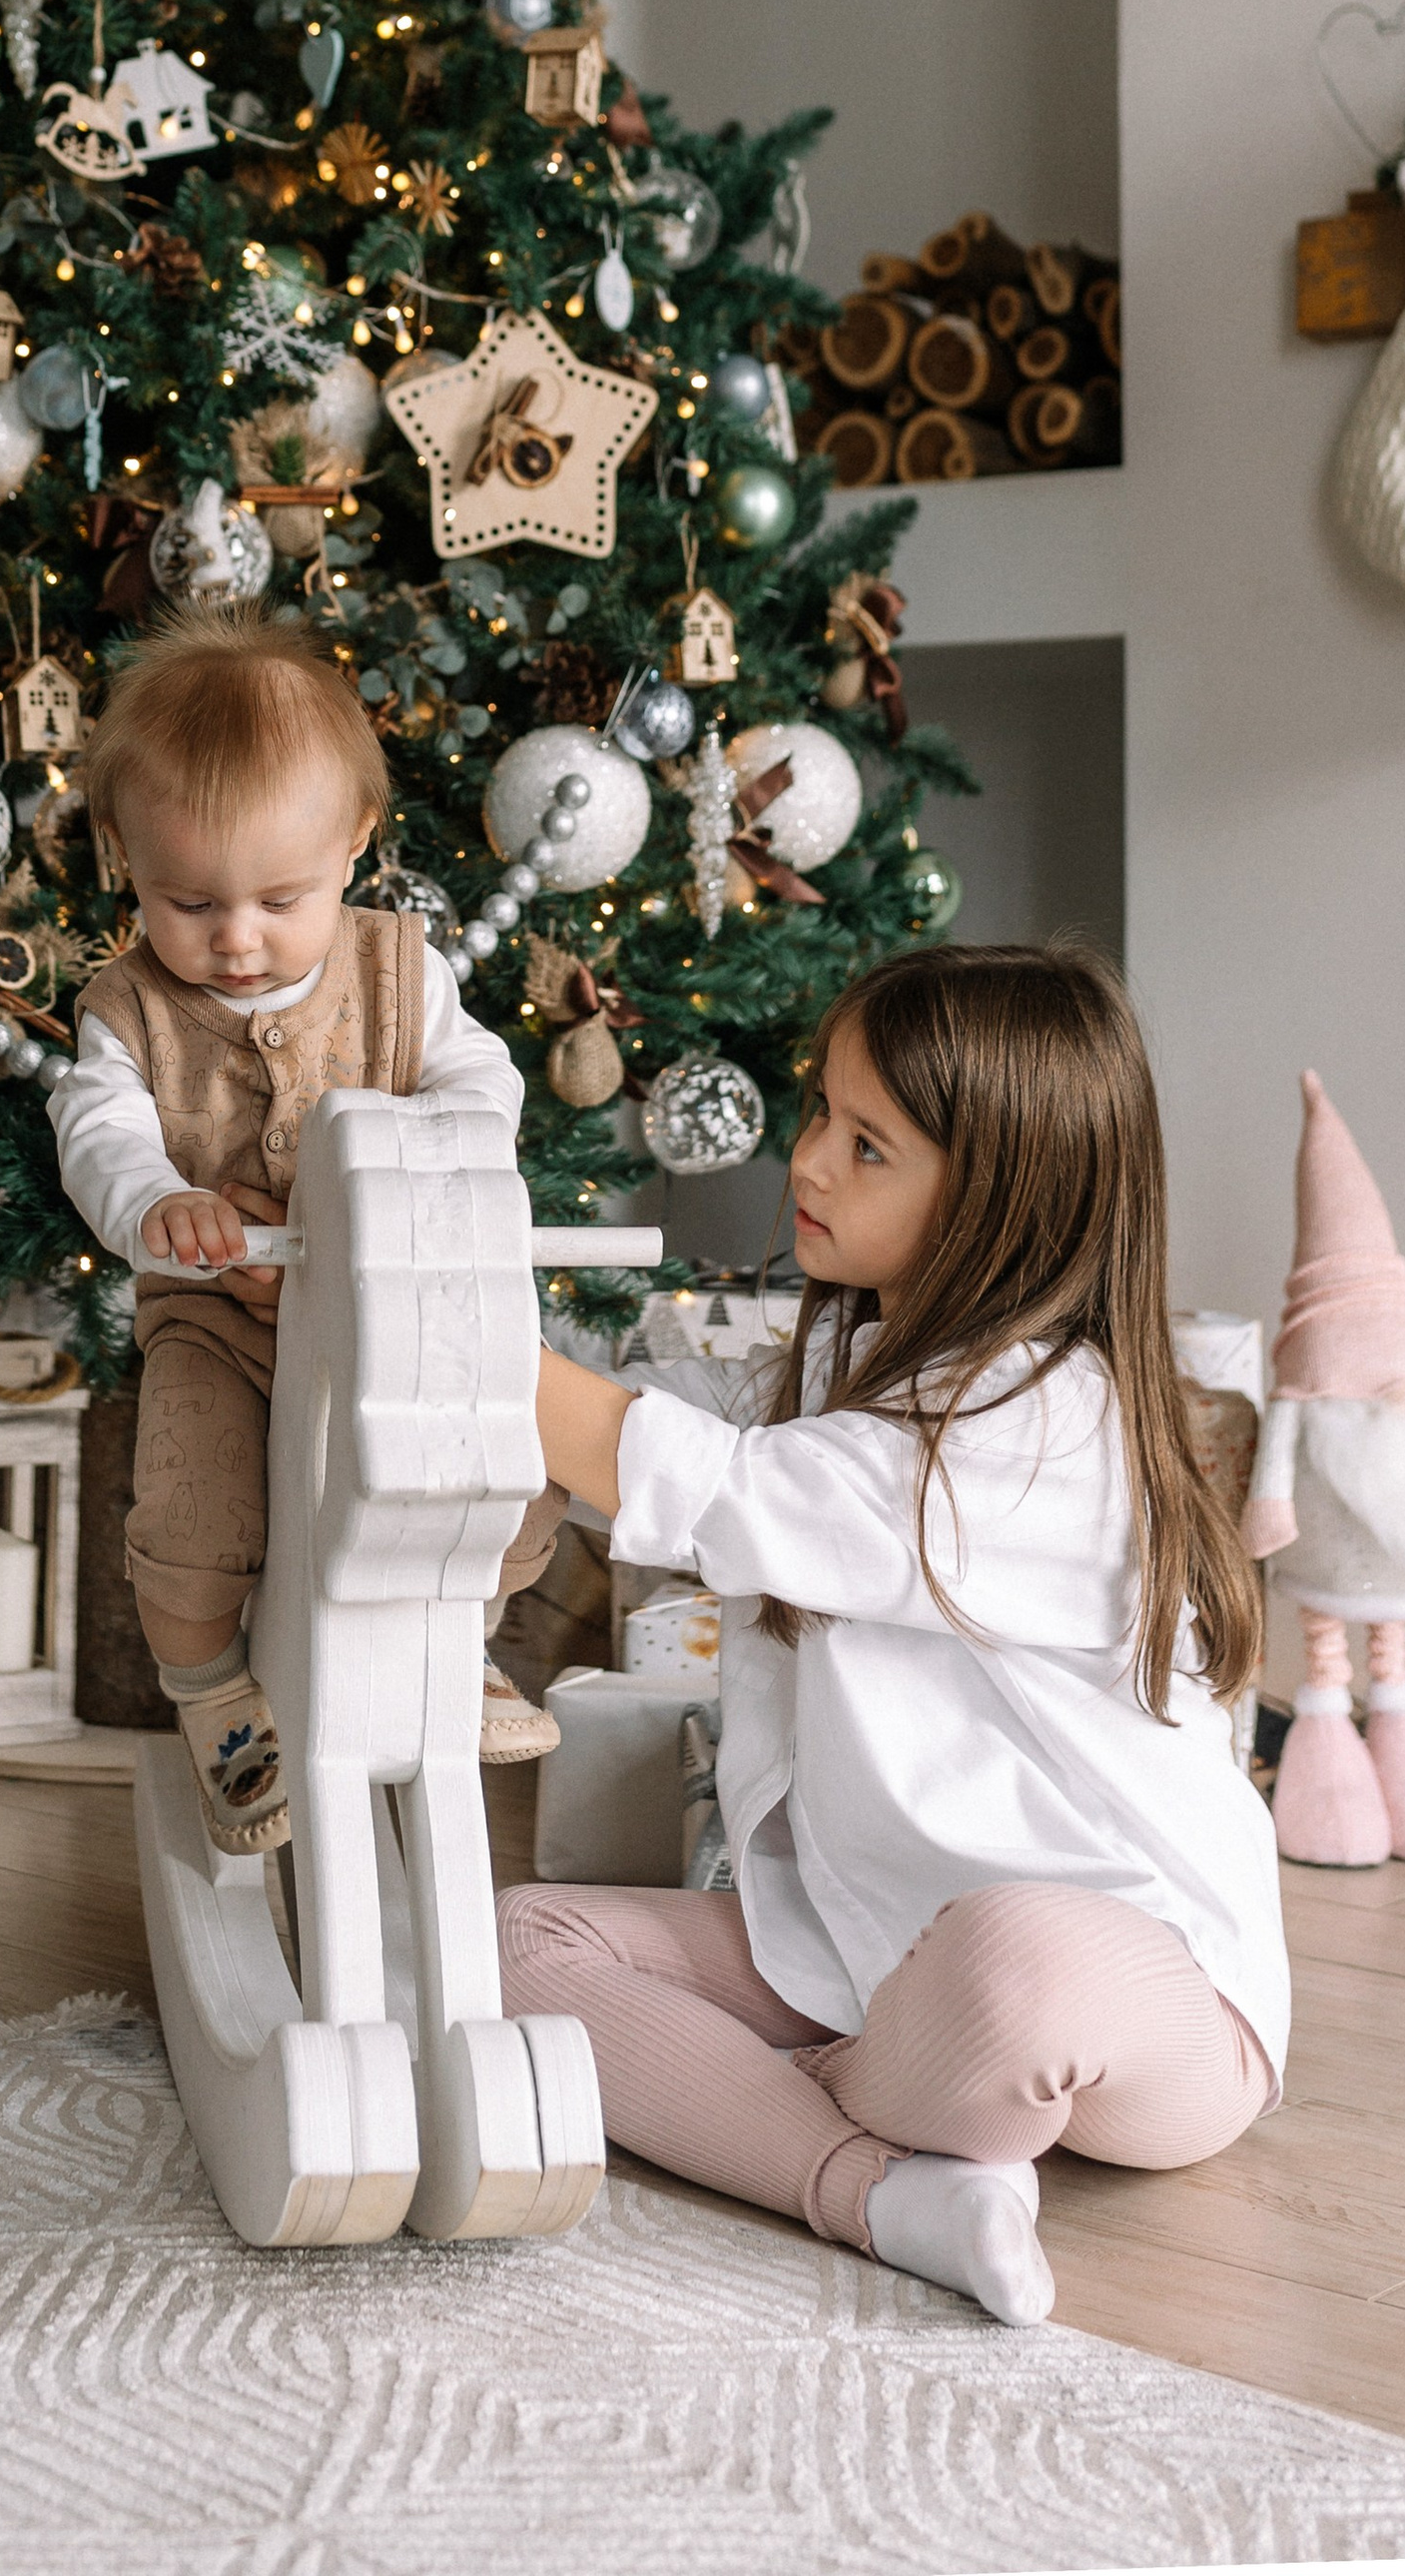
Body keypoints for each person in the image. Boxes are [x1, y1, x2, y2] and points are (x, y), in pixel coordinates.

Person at [501, 944, 1285, 2327]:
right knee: (519, 1945)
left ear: (1003, 1201)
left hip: (1137, 1984)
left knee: (1013, 1961)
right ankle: (879, 2188)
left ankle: (796, 2105)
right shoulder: (842, 1365)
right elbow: (652, 1407)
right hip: (862, 1949)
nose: (808, 1161)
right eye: (822, 1112)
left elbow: (717, 1488)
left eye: (868, 1147)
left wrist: (446, 1334)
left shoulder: (1046, 1422)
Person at [50, 601, 564, 1853]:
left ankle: (461, 1649)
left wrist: (440, 1146)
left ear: (355, 843)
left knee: (504, 1462)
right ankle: (211, 1698)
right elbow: (98, 1130)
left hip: (401, 1315)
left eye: (279, 898)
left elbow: (480, 1079)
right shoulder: (127, 1009)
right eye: (187, 902)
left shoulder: (402, 971)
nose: (235, 939)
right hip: (218, 1323)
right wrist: (155, 1202)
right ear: (124, 857)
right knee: (190, 1505)